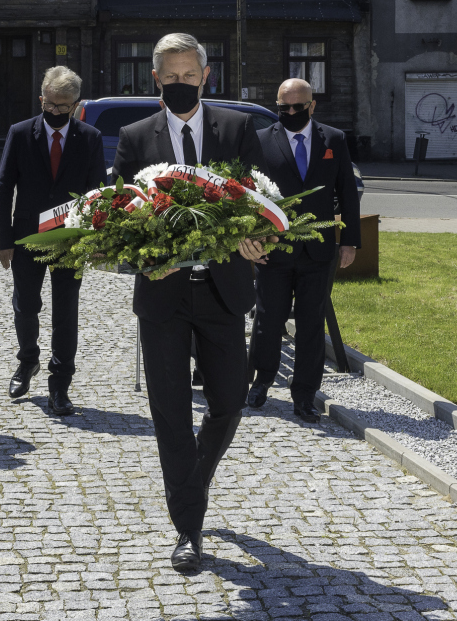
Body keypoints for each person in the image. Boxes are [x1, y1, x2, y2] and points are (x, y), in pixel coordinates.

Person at [111, 33, 269, 572]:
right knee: (171, 413)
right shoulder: (135, 137)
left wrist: (259, 239)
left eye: (189, 75)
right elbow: (116, 218)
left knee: (229, 402)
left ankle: (192, 484)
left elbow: (261, 201)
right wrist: (138, 258)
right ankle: (188, 529)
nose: (181, 83)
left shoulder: (237, 128)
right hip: (163, 296)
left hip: (224, 292)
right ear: (156, 79)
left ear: (205, 76)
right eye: (171, 76)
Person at [0, 66, 107, 415]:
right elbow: (4, 187)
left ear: (76, 105)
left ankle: (60, 384)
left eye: (63, 106)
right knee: (26, 305)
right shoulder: (20, 133)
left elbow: (97, 193)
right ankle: (28, 361)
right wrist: (3, 240)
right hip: (27, 237)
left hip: (70, 239)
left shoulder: (89, 137)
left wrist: (96, 238)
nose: (55, 111)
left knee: (65, 312)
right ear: (41, 99)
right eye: (50, 104)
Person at [248, 78, 361, 421]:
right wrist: (253, 238)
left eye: (298, 107)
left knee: (312, 325)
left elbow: (347, 190)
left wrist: (350, 241)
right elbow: (249, 194)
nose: (291, 112)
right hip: (274, 248)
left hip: (319, 250)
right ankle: (261, 381)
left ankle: (304, 395)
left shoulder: (334, 139)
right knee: (268, 320)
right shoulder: (261, 140)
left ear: (312, 106)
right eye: (284, 108)